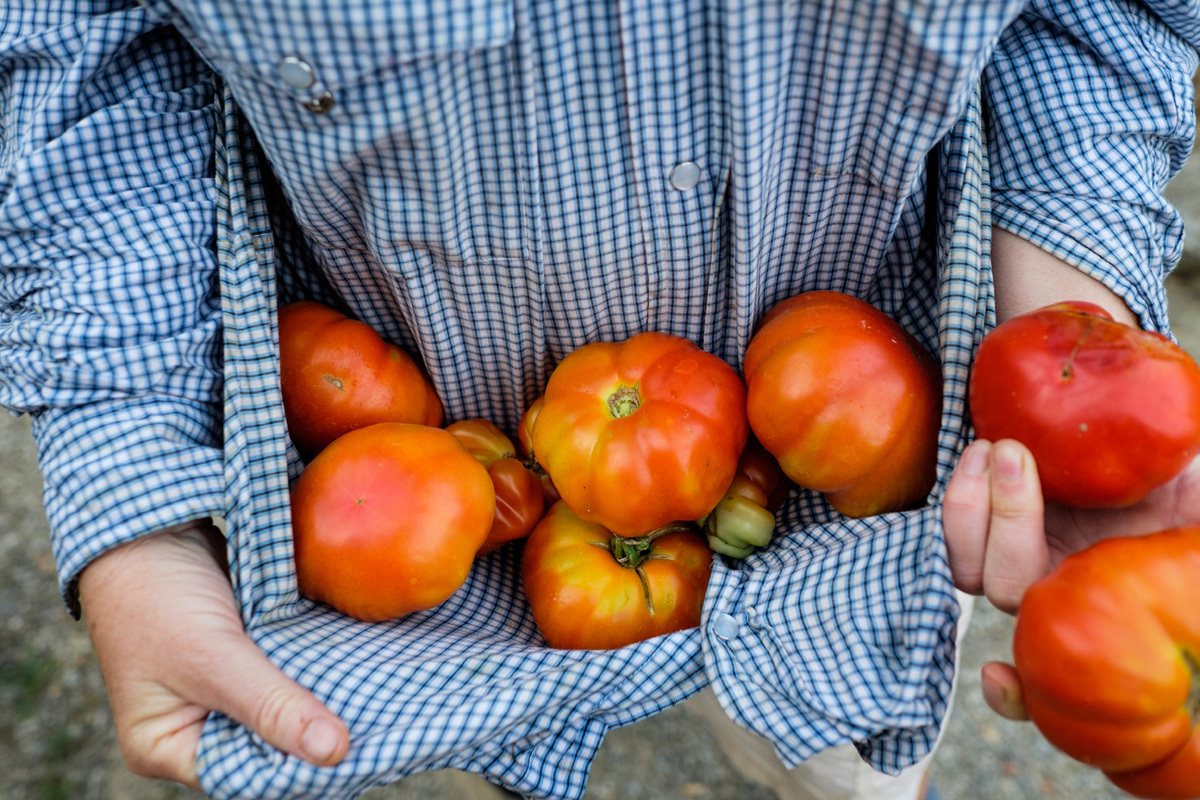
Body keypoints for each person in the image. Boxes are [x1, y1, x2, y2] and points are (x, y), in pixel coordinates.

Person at [1, 1, 1196, 798]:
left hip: (877, 509)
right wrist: (136, 507)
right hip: (425, 424)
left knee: (844, 747)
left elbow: (1105, 14)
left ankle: (821, 747)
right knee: (500, 715)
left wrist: (1065, 372)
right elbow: (79, 77)